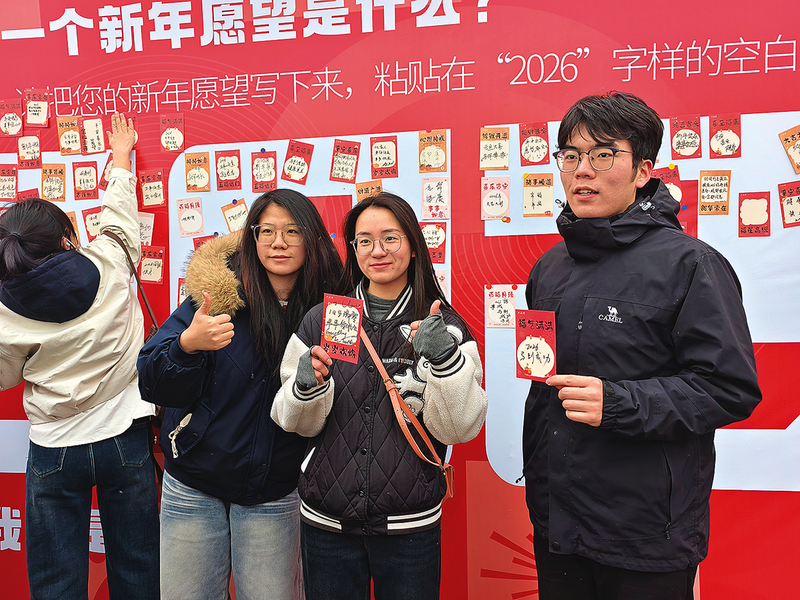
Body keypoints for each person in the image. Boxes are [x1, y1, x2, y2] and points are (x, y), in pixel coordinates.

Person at [522, 91, 762, 600]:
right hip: (557, 523)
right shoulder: (549, 268)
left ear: (643, 171)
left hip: (647, 534)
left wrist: (619, 403)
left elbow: (729, 387)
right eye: (570, 155)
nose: (582, 170)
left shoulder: (692, 264)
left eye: (603, 154)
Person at [272, 192, 488, 600]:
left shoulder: (443, 325)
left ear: (413, 244)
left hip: (410, 525)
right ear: (353, 250)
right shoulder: (323, 320)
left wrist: (444, 359)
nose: (378, 251)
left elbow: (460, 428)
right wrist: (304, 388)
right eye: (365, 241)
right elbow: (290, 420)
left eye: (390, 238)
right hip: (327, 522)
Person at [137, 188, 342, 600]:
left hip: (276, 492)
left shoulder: (331, 310)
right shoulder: (216, 296)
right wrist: (187, 345)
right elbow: (151, 379)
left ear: (312, 238)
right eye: (267, 231)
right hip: (193, 485)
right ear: (252, 237)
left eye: (292, 231)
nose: (279, 242)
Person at [0, 114, 158, 599]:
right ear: (67, 239)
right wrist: (121, 156)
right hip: (124, 437)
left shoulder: (4, 310)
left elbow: (5, 378)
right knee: (138, 573)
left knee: (56, 582)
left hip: (54, 447)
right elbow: (118, 214)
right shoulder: (110, 258)